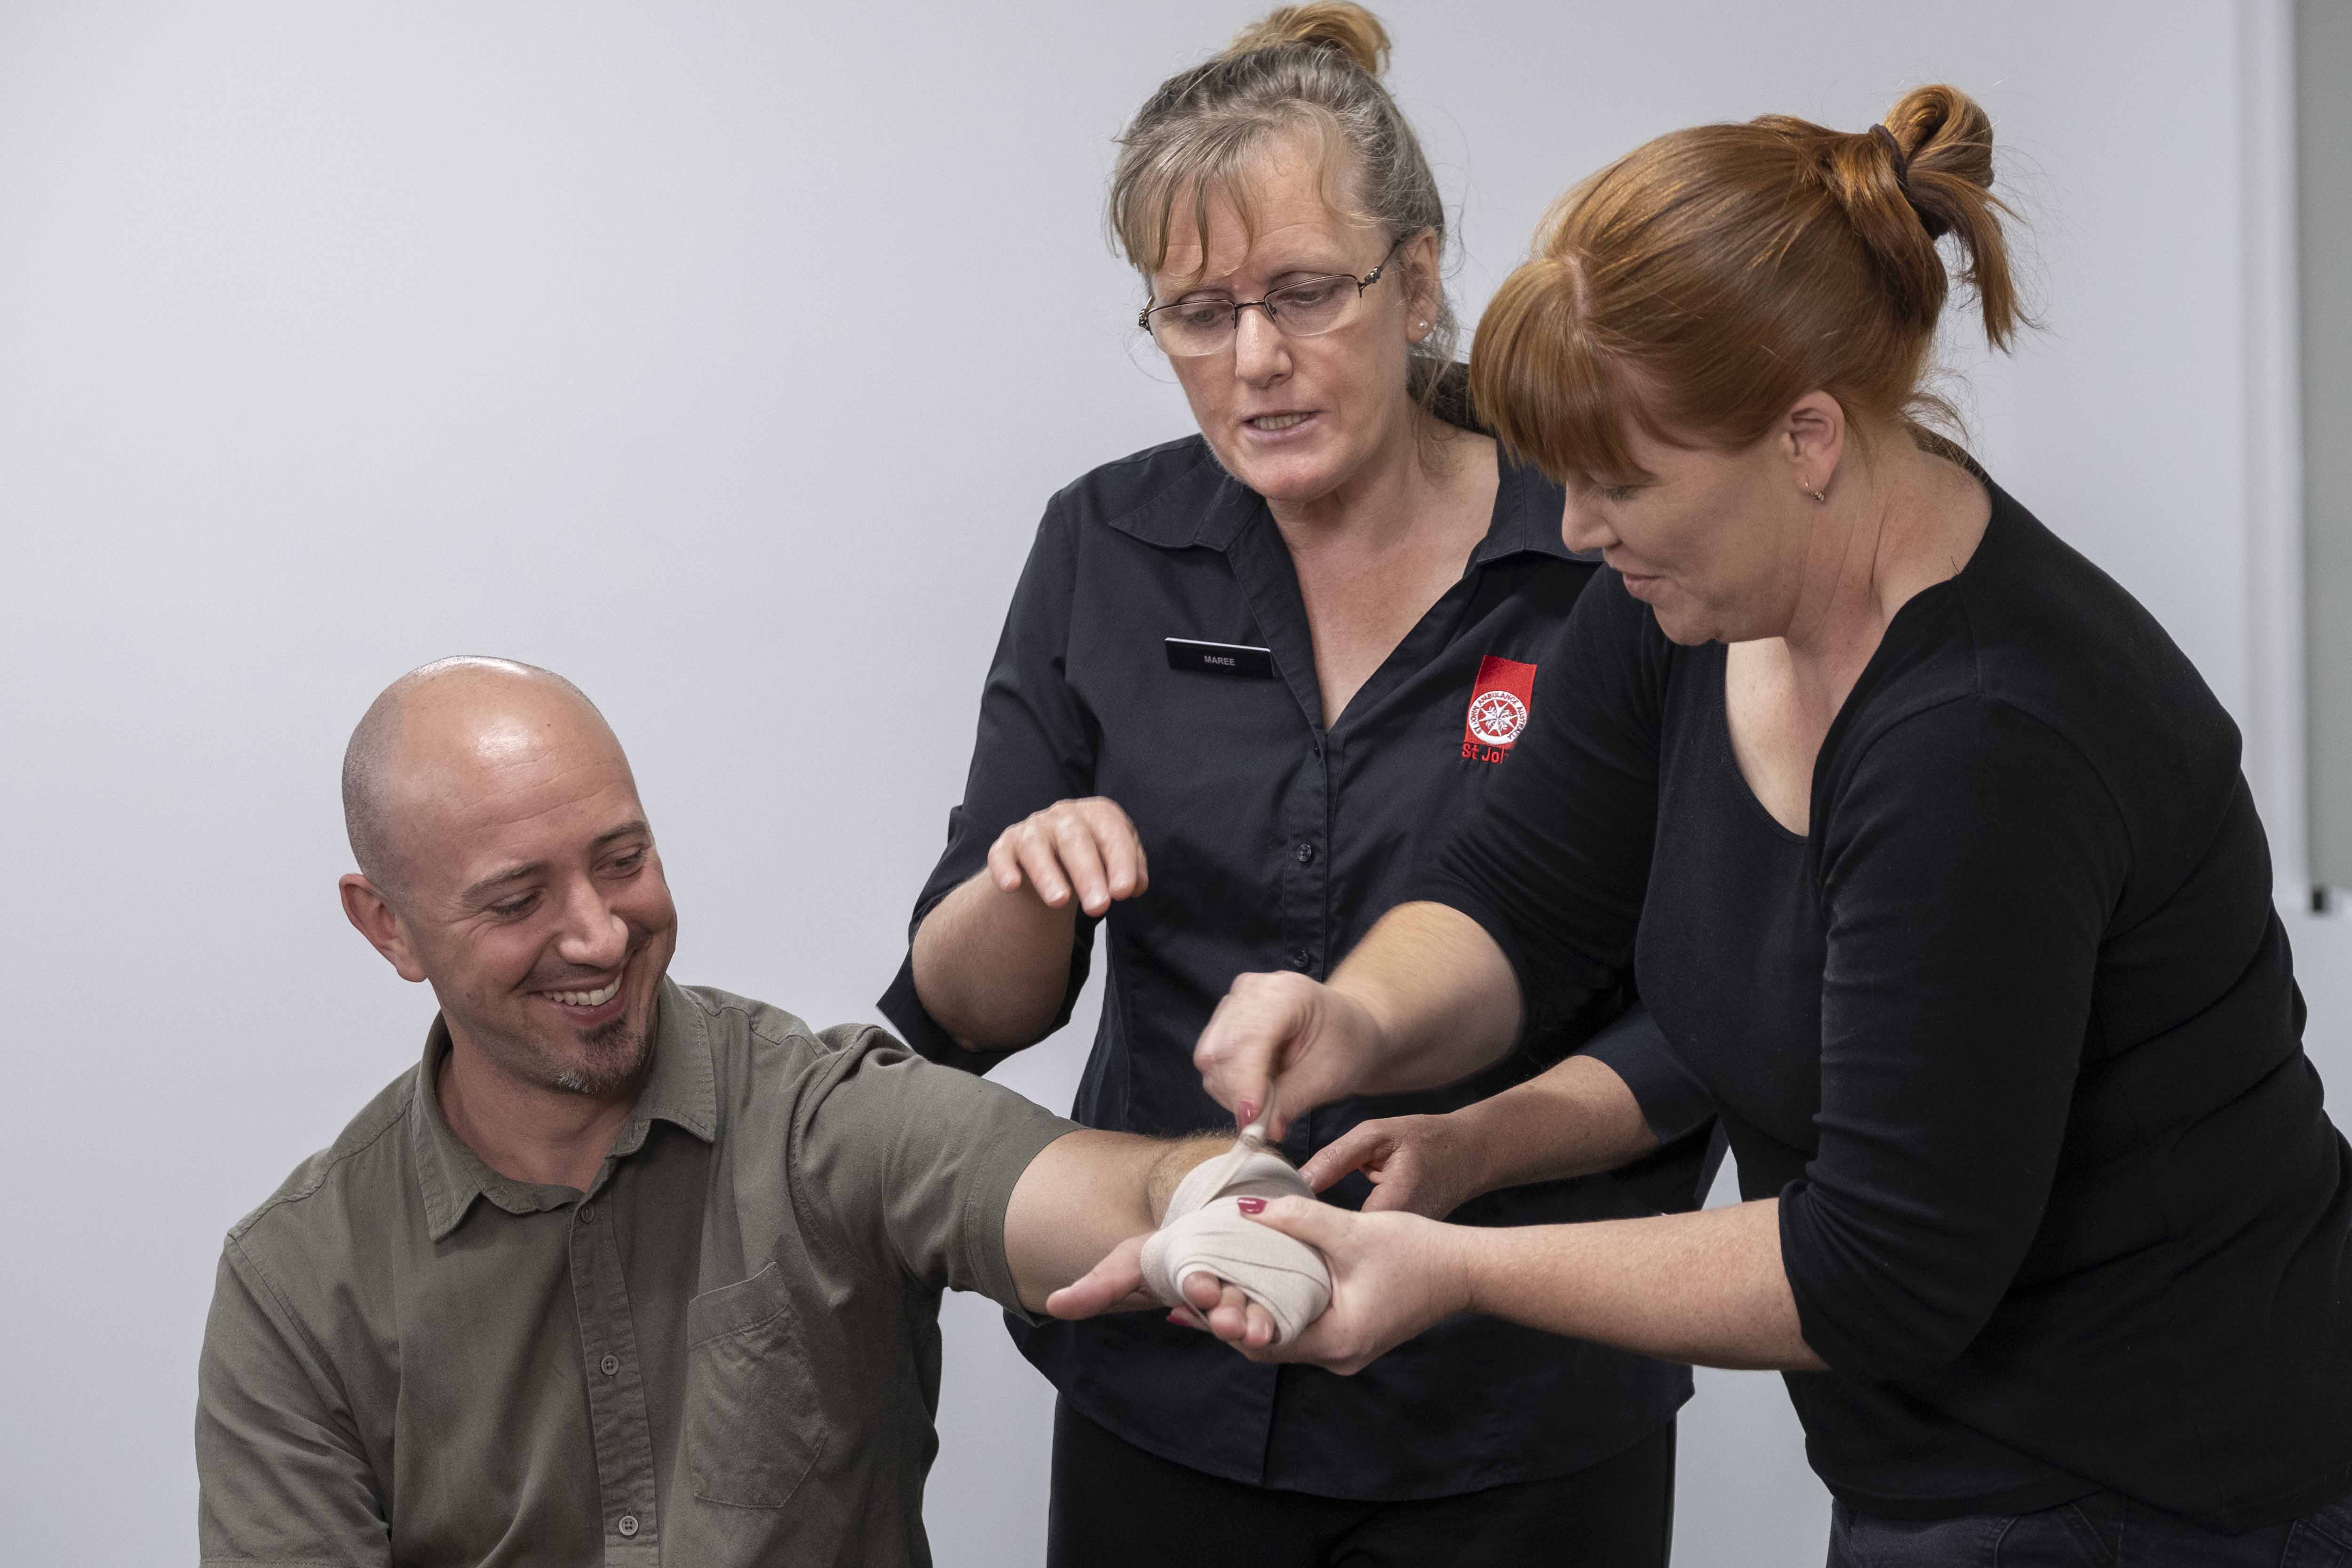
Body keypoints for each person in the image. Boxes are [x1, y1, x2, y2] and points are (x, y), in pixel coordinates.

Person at [1130, 84, 2352, 1564]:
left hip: (2163, 1487)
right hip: (1935, 1467)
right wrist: (1362, 1026)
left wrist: (1450, 1267)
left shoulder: (1982, 742)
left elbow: (1879, 1268)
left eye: (1622, 482)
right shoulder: (1697, 607)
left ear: (1809, 437)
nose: (1578, 529)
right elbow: (1523, 892)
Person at [884, 5, 1714, 1564]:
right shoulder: (1106, 547)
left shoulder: (1604, 555)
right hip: (1173, 1373)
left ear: (1417, 280)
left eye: (1303, 297)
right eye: (1197, 313)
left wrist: (1475, 1149)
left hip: (1515, 1399)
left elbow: (1711, 1009)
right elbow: (963, 1011)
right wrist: (1020, 877)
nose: (1255, 359)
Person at [193, 657, 1241, 1568]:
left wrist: (1220, 1203)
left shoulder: (813, 1115)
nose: (600, 935)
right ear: (390, 927)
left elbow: (1086, 1191)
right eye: (518, 900)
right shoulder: (296, 1283)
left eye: (623, 860)